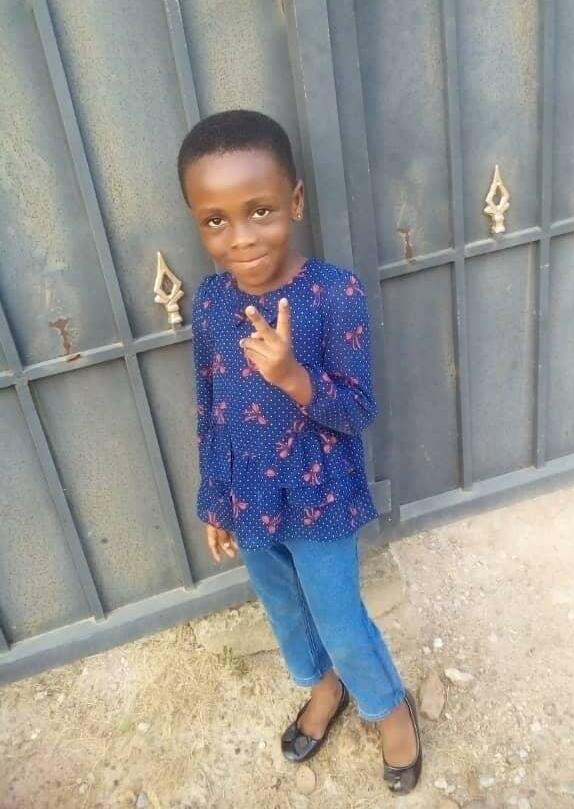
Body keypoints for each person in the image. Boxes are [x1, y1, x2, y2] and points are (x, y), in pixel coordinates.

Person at [178, 109, 422, 794]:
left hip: (320, 496)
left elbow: (358, 410)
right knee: (284, 610)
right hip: (249, 497)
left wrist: (293, 377)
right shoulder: (210, 302)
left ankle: (389, 707)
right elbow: (210, 406)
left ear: (296, 200)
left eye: (259, 210)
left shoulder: (334, 293)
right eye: (215, 220)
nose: (241, 237)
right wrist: (214, 497)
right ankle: (324, 688)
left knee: (340, 619)